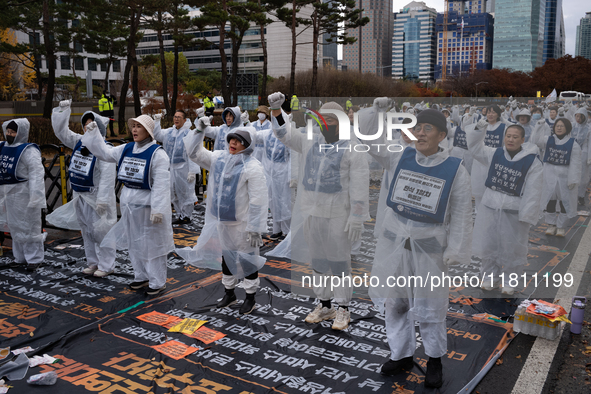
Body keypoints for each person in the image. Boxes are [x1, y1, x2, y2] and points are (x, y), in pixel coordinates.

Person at [363, 104, 472, 389]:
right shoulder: (401, 155)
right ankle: (401, 353)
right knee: (396, 303)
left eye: (428, 129)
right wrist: (378, 114)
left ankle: (434, 358)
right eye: (417, 127)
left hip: (429, 250)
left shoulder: (455, 169)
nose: (420, 133)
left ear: (441, 135)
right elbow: (369, 141)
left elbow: (461, 213)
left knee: (430, 307)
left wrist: (456, 250)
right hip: (396, 246)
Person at [267, 92, 370, 331]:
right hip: (313, 212)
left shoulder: (353, 148)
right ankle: (325, 305)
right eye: (323, 118)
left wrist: (356, 218)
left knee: (340, 263)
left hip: (338, 216)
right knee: (319, 262)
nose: (327, 123)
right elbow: (285, 134)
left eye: (332, 119)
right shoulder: (310, 141)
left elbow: (359, 186)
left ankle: (343, 308)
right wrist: (276, 111)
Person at [178, 126, 268, 315]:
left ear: (248, 145)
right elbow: (194, 153)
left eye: (239, 141)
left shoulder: (252, 166)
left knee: (248, 259)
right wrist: (198, 131)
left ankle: (250, 296)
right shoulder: (219, 159)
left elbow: (258, 200)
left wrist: (255, 227)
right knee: (227, 257)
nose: (233, 143)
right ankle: (229, 293)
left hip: (243, 224)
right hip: (223, 221)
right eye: (231, 139)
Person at [81, 114, 174, 295]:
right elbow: (104, 152)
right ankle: (140, 276)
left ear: (148, 131)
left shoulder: (158, 154)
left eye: (139, 127)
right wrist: (93, 134)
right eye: (133, 126)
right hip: (129, 206)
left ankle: (157, 281)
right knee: (134, 243)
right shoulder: (127, 148)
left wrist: (158, 209)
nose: (134, 130)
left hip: (148, 208)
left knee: (152, 244)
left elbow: (162, 184)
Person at [468, 122, 543, 295]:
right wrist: (479, 130)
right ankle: (489, 277)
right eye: (508, 136)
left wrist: (527, 215)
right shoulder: (495, 153)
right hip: (490, 206)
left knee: (512, 248)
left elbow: (534, 191)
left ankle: (510, 280)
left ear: (522, 140)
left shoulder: (532, 161)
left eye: (515, 137)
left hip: (513, 210)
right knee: (489, 244)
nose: (511, 139)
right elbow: (474, 148)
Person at [48, 100, 117, 277]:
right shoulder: (80, 142)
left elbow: (108, 178)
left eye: (91, 125)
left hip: (96, 198)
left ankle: (107, 265)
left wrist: (102, 199)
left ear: (99, 129)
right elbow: (62, 133)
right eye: (85, 125)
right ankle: (93, 262)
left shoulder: (105, 149)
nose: (87, 128)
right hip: (80, 195)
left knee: (101, 231)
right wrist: (63, 111)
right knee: (87, 231)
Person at [0, 119, 46, 271]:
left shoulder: (28, 150)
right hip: (7, 193)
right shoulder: (3, 146)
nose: (9, 134)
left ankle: (34, 258)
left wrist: (36, 196)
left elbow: (36, 174)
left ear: (21, 133)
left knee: (30, 227)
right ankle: (19, 257)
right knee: (14, 226)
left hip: (24, 193)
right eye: (8, 131)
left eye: (13, 132)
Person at [530, 118, 582, 237]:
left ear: (567, 128)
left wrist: (573, 179)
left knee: (565, 202)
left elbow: (576, 163)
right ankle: (551, 224)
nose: (559, 128)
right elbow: (535, 140)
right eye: (557, 126)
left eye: (562, 126)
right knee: (550, 201)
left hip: (565, 178)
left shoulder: (573, 144)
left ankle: (561, 226)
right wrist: (538, 126)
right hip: (549, 176)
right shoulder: (549, 140)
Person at [153, 109, 199, 225]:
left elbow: (193, 152)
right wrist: (157, 121)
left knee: (186, 192)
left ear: (184, 120)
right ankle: (180, 215)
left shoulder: (189, 133)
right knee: (173, 192)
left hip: (184, 168)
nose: (176, 119)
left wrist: (192, 171)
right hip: (171, 168)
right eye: (175, 116)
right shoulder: (169, 132)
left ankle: (187, 216)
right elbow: (157, 135)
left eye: (179, 117)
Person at [252, 106, 291, 241]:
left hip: (283, 174)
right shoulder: (267, 134)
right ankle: (277, 229)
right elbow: (253, 135)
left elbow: (292, 157)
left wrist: (292, 176)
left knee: (284, 202)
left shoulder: (289, 136)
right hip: (270, 174)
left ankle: (287, 230)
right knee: (272, 201)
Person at [469, 105, 510, 208]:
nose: (490, 115)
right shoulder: (481, 125)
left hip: (495, 160)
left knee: (493, 188)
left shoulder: (503, 127)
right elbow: (471, 141)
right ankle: (478, 213)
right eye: (488, 112)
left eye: (493, 112)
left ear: (498, 114)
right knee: (479, 188)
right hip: (479, 160)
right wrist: (477, 129)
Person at [567, 107, 590, 206]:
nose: (578, 118)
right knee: (571, 174)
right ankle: (571, 196)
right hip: (572, 152)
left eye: (581, 116)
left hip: (584, 153)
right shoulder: (572, 126)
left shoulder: (588, 129)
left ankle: (580, 196)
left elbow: (589, 144)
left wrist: (589, 157)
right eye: (577, 116)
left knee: (583, 176)